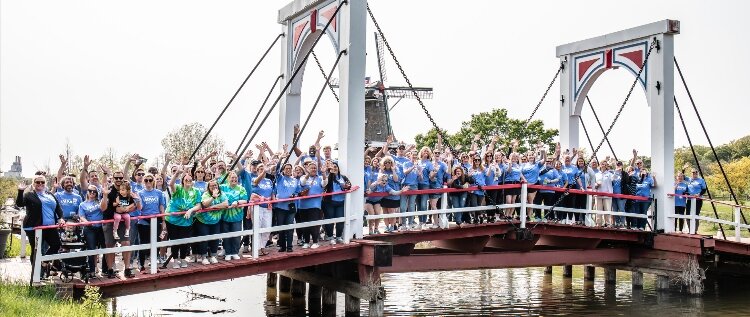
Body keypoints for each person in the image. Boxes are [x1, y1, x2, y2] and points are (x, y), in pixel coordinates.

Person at [17, 175, 65, 278]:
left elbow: (58, 208)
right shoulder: (29, 195)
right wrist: (20, 191)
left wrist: (60, 218)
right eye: (38, 182)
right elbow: (20, 204)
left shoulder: (50, 195)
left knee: (56, 245)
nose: (40, 184)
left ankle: (44, 262)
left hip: (50, 227)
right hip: (35, 228)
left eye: (42, 182)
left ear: (45, 184)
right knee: (36, 250)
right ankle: (36, 275)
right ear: (33, 184)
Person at [166, 169, 202, 269]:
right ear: (182, 181)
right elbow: (171, 184)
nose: (188, 182)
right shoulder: (178, 188)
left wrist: (191, 210)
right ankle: (175, 260)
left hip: (186, 220)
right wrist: (177, 173)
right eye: (186, 180)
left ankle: (182, 258)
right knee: (174, 240)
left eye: (190, 180)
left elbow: (199, 205)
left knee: (184, 241)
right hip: (172, 219)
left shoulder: (196, 191)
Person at [136, 173, 167, 271]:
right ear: (143, 182)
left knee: (156, 242)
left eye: (150, 180)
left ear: (153, 181)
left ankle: (154, 264)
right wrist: (137, 200)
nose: (148, 182)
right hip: (144, 221)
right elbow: (140, 208)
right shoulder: (140, 193)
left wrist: (163, 221)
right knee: (144, 243)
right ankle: (141, 264)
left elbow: (161, 207)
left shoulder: (158, 193)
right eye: (146, 180)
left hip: (156, 220)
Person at [195, 180, 228, 264]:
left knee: (215, 238)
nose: (214, 187)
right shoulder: (206, 194)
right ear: (208, 188)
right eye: (211, 186)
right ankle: (204, 257)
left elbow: (225, 204)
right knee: (204, 238)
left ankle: (213, 255)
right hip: (203, 220)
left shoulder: (222, 194)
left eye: (215, 185)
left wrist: (213, 206)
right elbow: (205, 204)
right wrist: (213, 197)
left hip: (215, 220)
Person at [78, 185, 106, 277]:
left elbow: (103, 208)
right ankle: (92, 270)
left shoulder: (100, 201)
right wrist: (87, 222)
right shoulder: (83, 204)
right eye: (90, 191)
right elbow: (81, 216)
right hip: (90, 228)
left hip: (101, 227)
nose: (92, 193)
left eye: (94, 191)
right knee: (91, 249)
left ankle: (105, 269)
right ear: (87, 192)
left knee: (105, 248)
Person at [274, 163, 302, 252]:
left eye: (290, 168)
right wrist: (281, 159)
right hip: (280, 207)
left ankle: (289, 246)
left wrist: (294, 195)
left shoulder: (295, 180)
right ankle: (282, 246)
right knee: (281, 227)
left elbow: (298, 191)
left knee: (290, 227)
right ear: (283, 170)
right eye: (286, 168)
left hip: (291, 206)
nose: (288, 170)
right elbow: (276, 170)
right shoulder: (280, 178)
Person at [220, 172, 248, 260]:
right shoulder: (223, 187)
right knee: (226, 235)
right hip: (225, 216)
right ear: (228, 178)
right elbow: (212, 189)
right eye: (232, 178)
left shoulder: (241, 188)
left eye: (235, 178)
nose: (234, 179)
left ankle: (235, 252)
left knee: (236, 235)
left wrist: (238, 202)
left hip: (237, 216)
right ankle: (228, 252)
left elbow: (245, 200)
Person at [299, 163, 325, 249]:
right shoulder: (303, 177)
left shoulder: (319, 178)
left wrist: (324, 173)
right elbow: (302, 183)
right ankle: (306, 241)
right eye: (312, 168)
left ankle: (315, 241)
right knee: (305, 225)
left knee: (314, 224)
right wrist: (307, 174)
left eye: (315, 168)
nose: (313, 169)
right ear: (307, 169)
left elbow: (325, 183)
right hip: (303, 205)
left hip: (315, 205)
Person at [323, 162, 351, 242]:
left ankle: (338, 236)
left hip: (340, 202)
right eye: (332, 167)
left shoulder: (343, 177)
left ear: (338, 168)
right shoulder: (329, 177)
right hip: (329, 202)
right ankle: (330, 236)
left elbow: (349, 185)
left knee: (340, 220)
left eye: (335, 167)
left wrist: (346, 187)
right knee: (329, 220)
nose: (334, 168)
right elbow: (326, 184)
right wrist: (331, 173)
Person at [252, 163, 274, 255]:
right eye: (260, 169)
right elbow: (256, 182)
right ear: (257, 171)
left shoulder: (269, 181)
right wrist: (264, 171)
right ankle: (257, 249)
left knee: (267, 228)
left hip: (267, 206)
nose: (262, 170)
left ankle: (263, 246)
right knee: (257, 227)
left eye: (263, 169)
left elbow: (272, 191)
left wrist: (274, 198)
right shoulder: (254, 178)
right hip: (257, 206)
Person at [377, 157, 401, 233]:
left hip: (393, 194)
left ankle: (392, 226)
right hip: (384, 195)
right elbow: (379, 179)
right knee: (385, 211)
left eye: (389, 162)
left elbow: (396, 179)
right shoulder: (382, 171)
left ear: (392, 163)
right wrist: (381, 170)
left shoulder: (396, 170)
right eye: (386, 162)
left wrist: (393, 170)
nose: (387, 164)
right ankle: (387, 226)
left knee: (391, 211)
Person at [684, 165, 707, 231]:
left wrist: (699, 194)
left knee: (696, 214)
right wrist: (684, 169)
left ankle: (695, 230)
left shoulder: (701, 180)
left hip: (698, 199)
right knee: (688, 214)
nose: (695, 174)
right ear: (691, 174)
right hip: (690, 199)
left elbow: (704, 189)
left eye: (696, 173)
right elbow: (682, 176)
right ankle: (690, 229)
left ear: (698, 173)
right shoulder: (689, 179)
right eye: (693, 173)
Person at [593, 160, 614, 227]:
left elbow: (614, 178)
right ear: (600, 165)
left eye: (605, 164)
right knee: (598, 210)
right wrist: (596, 185)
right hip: (598, 194)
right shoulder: (596, 174)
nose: (604, 165)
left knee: (607, 209)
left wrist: (615, 169)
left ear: (607, 166)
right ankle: (598, 223)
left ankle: (608, 224)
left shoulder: (610, 174)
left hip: (607, 195)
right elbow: (593, 184)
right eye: (602, 164)